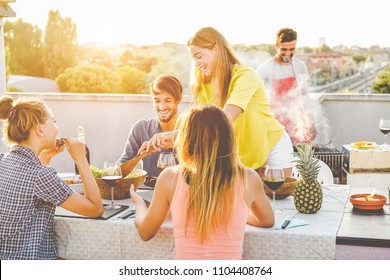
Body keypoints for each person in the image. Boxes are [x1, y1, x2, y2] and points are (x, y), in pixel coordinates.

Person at [140, 27, 293, 177]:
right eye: (193, 58)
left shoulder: (245, 77)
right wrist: (173, 138)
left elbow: (223, 120)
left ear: (216, 49)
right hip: (243, 154)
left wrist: (174, 136)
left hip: (272, 147)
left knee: (276, 200)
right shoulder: (204, 86)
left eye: (199, 56)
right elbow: (200, 127)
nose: (196, 63)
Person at [130, 104, 274, 260]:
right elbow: (267, 220)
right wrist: (237, 214)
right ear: (229, 138)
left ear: (186, 141)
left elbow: (145, 232)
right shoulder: (249, 178)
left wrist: (138, 203)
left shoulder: (169, 178)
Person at [0, 95, 103, 260]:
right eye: (53, 122)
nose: (57, 128)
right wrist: (81, 159)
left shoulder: (4, 161)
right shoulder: (40, 175)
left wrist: (45, 158)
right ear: (39, 130)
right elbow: (95, 209)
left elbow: (31, 191)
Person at [256, 28, 317, 146]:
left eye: (292, 49)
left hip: (296, 123)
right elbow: (257, 101)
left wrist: (311, 121)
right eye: (284, 49)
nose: (288, 53)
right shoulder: (264, 70)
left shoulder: (300, 67)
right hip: (273, 125)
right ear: (276, 46)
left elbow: (304, 96)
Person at [118, 74, 183, 178]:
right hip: (146, 193)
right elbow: (119, 173)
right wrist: (142, 155)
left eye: (168, 100)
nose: (161, 107)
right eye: (157, 101)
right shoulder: (141, 129)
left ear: (179, 100)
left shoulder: (191, 130)